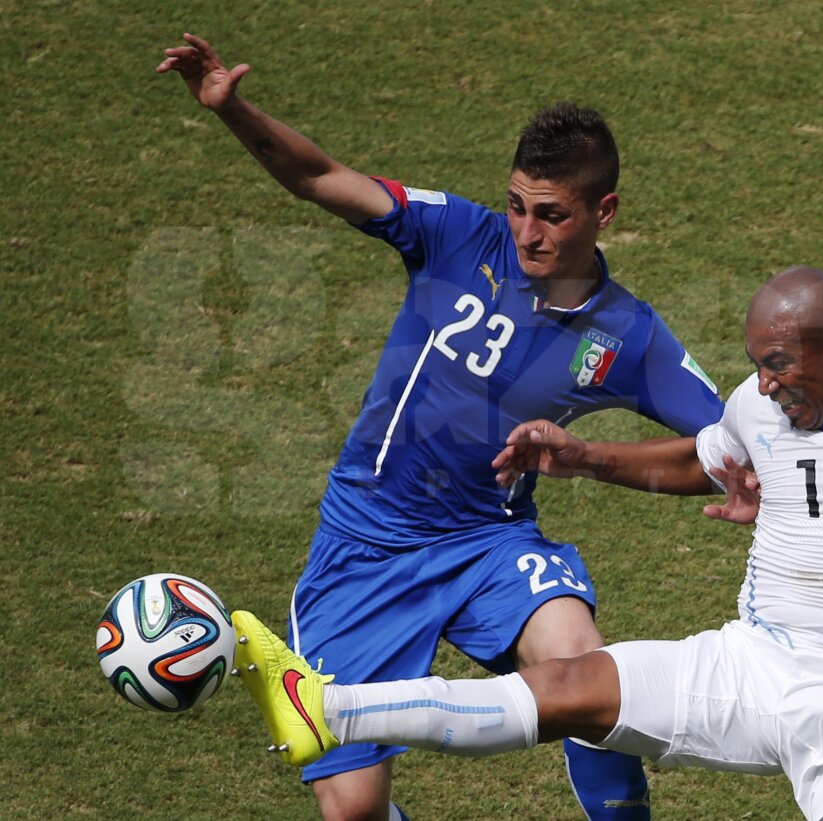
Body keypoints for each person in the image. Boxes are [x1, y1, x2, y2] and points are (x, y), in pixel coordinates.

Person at [229, 183, 823, 820]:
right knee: (572, 688)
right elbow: (695, 460)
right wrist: (583, 456)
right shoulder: (757, 405)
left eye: (779, 366)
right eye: (756, 366)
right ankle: (326, 705)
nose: (764, 387)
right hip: (750, 664)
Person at [157, 33, 726, 821]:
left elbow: (729, 449)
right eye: (518, 205)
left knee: (589, 681)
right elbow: (321, 177)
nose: (526, 232)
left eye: (552, 215)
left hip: (488, 542)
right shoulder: (456, 234)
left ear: (605, 211)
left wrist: (592, 458)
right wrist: (232, 109)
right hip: (365, 545)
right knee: (352, 808)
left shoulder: (627, 335)